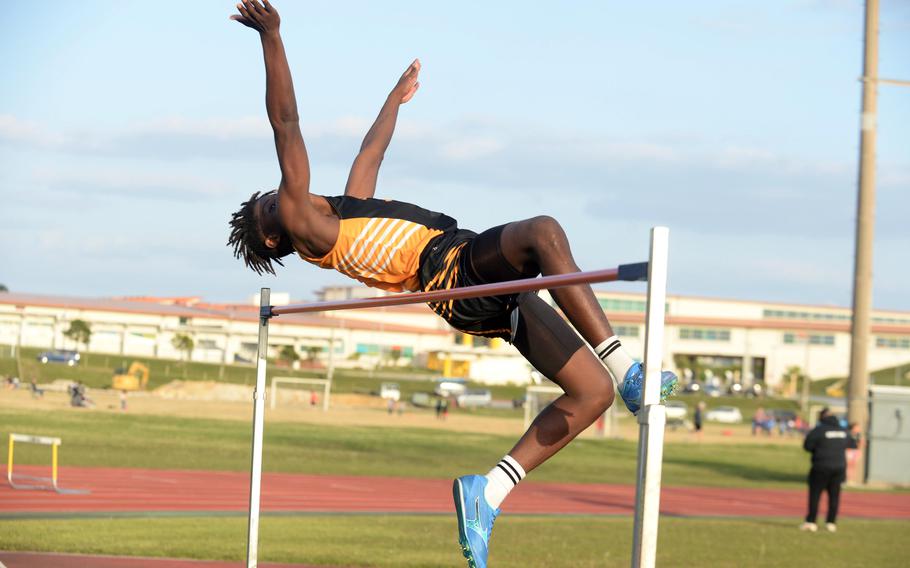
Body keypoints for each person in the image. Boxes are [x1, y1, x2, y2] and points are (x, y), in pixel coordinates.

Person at [227, 3, 677, 566]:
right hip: (453, 268)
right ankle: (628, 367)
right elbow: (286, 123)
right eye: (274, 202)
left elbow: (371, 154)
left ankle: (487, 493)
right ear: (278, 233)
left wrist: (394, 99)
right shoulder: (307, 226)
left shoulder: (346, 214)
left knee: (591, 395)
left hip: (470, 288)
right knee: (543, 232)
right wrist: (271, 36)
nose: (282, 193)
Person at [800, 408, 857, 533]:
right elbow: (853, 444)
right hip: (839, 468)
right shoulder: (843, 431)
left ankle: (811, 522)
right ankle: (831, 522)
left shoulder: (819, 430)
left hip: (820, 466)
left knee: (815, 495)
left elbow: (807, 446)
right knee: (834, 496)